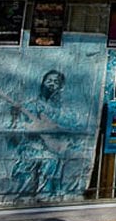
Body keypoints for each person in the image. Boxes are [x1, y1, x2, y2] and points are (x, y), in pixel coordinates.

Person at [7, 69, 79, 198]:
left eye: (56, 82)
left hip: (52, 152)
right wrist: (17, 120)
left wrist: (56, 130)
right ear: (42, 83)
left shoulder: (64, 110)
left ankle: (46, 196)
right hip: (30, 150)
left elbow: (71, 130)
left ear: (61, 87)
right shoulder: (30, 106)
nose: (52, 84)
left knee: (51, 166)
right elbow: (16, 131)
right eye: (49, 81)